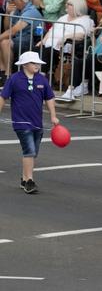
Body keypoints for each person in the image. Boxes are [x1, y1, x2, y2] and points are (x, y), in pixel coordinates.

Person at [0, 51, 59, 194]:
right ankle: (29, 181)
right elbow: (3, 97)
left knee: (32, 153)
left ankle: (24, 178)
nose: (37, 65)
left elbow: (49, 98)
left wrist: (53, 116)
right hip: (21, 122)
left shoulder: (42, 80)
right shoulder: (14, 79)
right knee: (30, 151)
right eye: (34, 63)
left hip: (37, 123)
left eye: (38, 63)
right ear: (25, 65)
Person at [39, 0, 95, 100]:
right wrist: (43, 40)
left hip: (68, 47)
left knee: (47, 52)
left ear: (77, 7)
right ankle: (38, 80)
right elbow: (52, 30)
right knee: (38, 49)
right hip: (52, 43)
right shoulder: (63, 18)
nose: (66, 6)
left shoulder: (86, 20)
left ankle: (40, 79)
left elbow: (82, 34)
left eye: (70, 4)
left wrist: (66, 37)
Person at [0, 0, 43, 82]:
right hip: (20, 38)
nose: (11, 1)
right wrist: (7, 13)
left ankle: (7, 76)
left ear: (21, 0)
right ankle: (2, 72)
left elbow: (14, 30)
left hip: (33, 40)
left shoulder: (31, 11)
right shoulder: (18, 10)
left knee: (5, 42)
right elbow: (7, 28)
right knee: (3, 40)